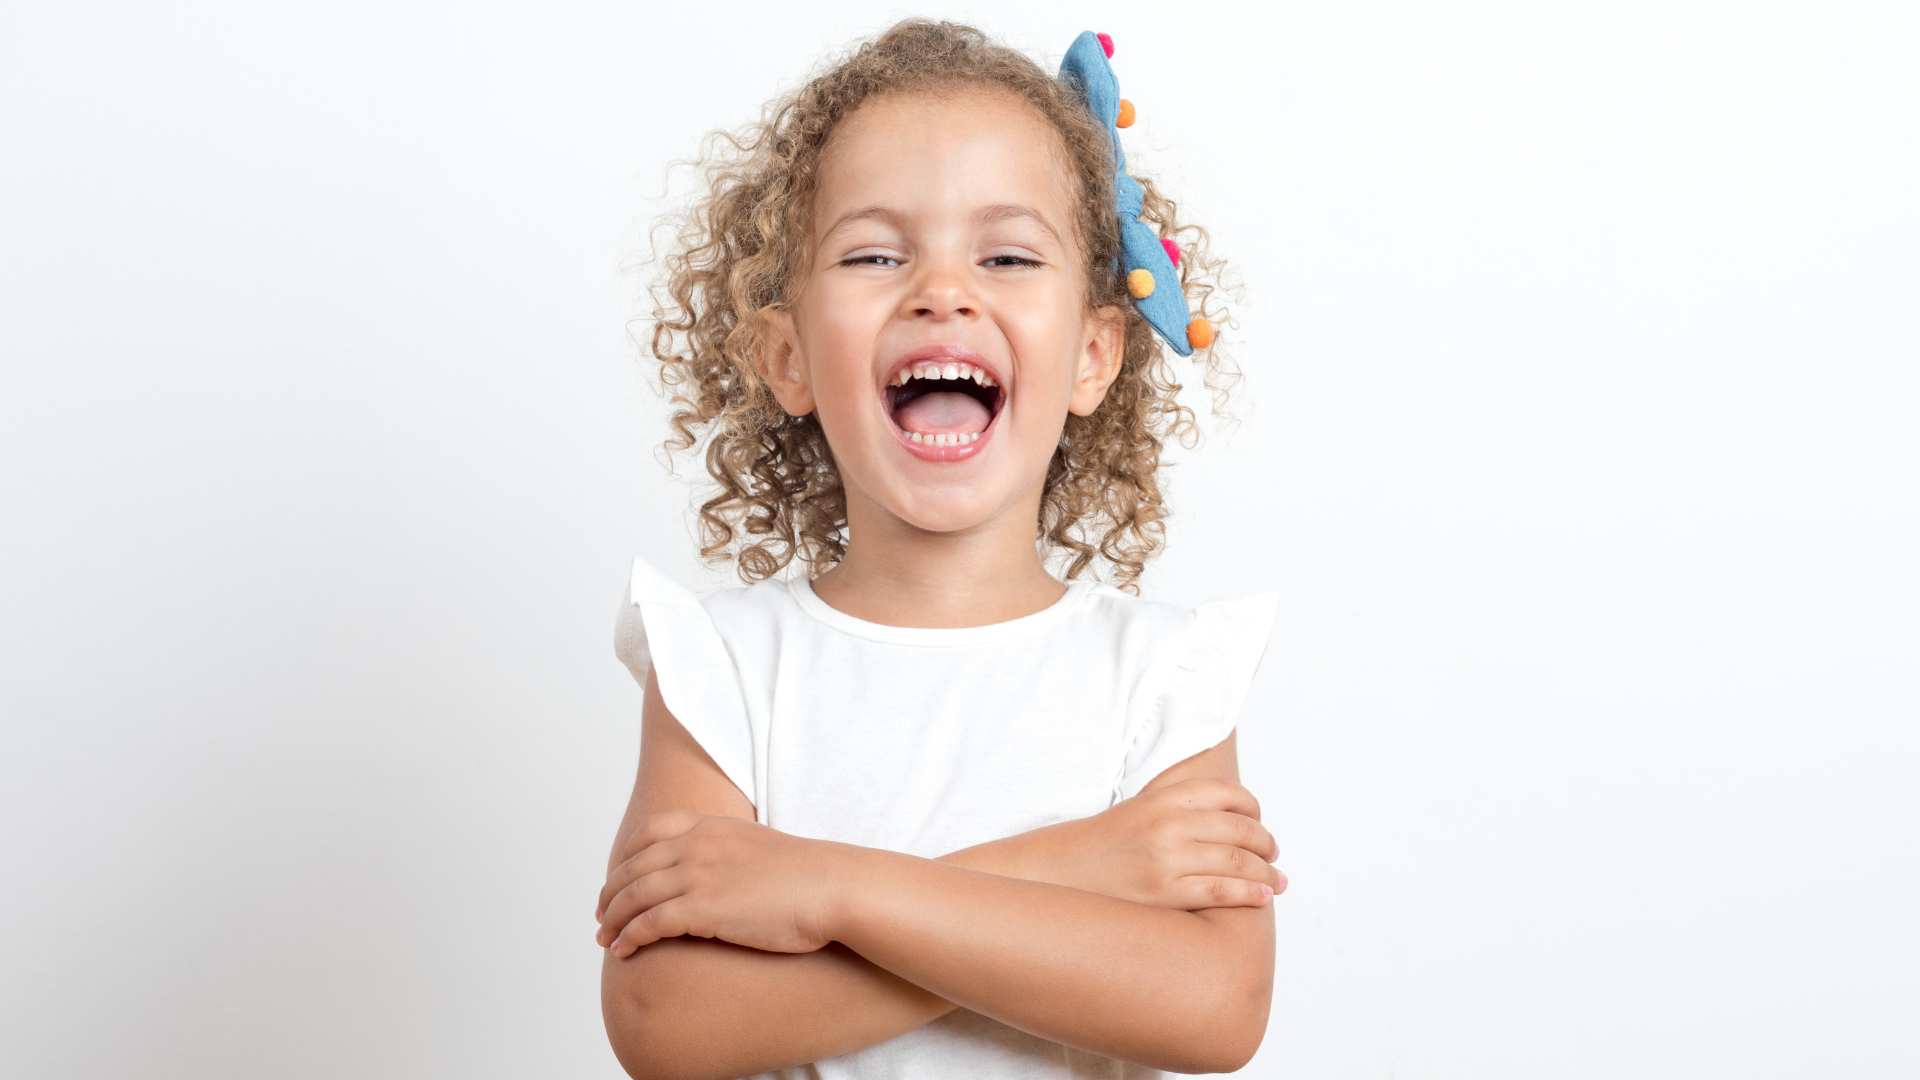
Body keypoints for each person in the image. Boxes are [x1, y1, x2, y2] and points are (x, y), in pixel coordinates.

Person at [595, 18, 1286, 1078]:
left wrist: (827, 890)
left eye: (1007, 256)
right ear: (787, 356)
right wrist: (1081, 869)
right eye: (876, 255)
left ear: (1094, 354)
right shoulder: (718, 668)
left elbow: (1213, 1008)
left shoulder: (1161, 676)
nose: (943, 290)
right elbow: (668, 1022)